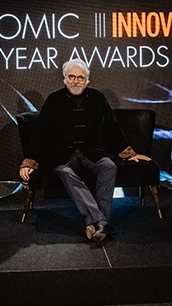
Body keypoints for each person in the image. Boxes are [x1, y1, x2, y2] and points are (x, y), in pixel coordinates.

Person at [19, 60, 150, 242]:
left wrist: (128, 153)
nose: (76, 81)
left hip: (92, 151)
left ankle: (93, 223)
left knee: (109, 166)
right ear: (64, 79)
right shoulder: (54, 100)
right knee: (65, 172)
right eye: (71, 77)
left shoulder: (98, 98)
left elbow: (111, 127)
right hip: (61, 154)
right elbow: (40, 132)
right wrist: (30, 161)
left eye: (80, 77)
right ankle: (101, 222)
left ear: (87, 80)